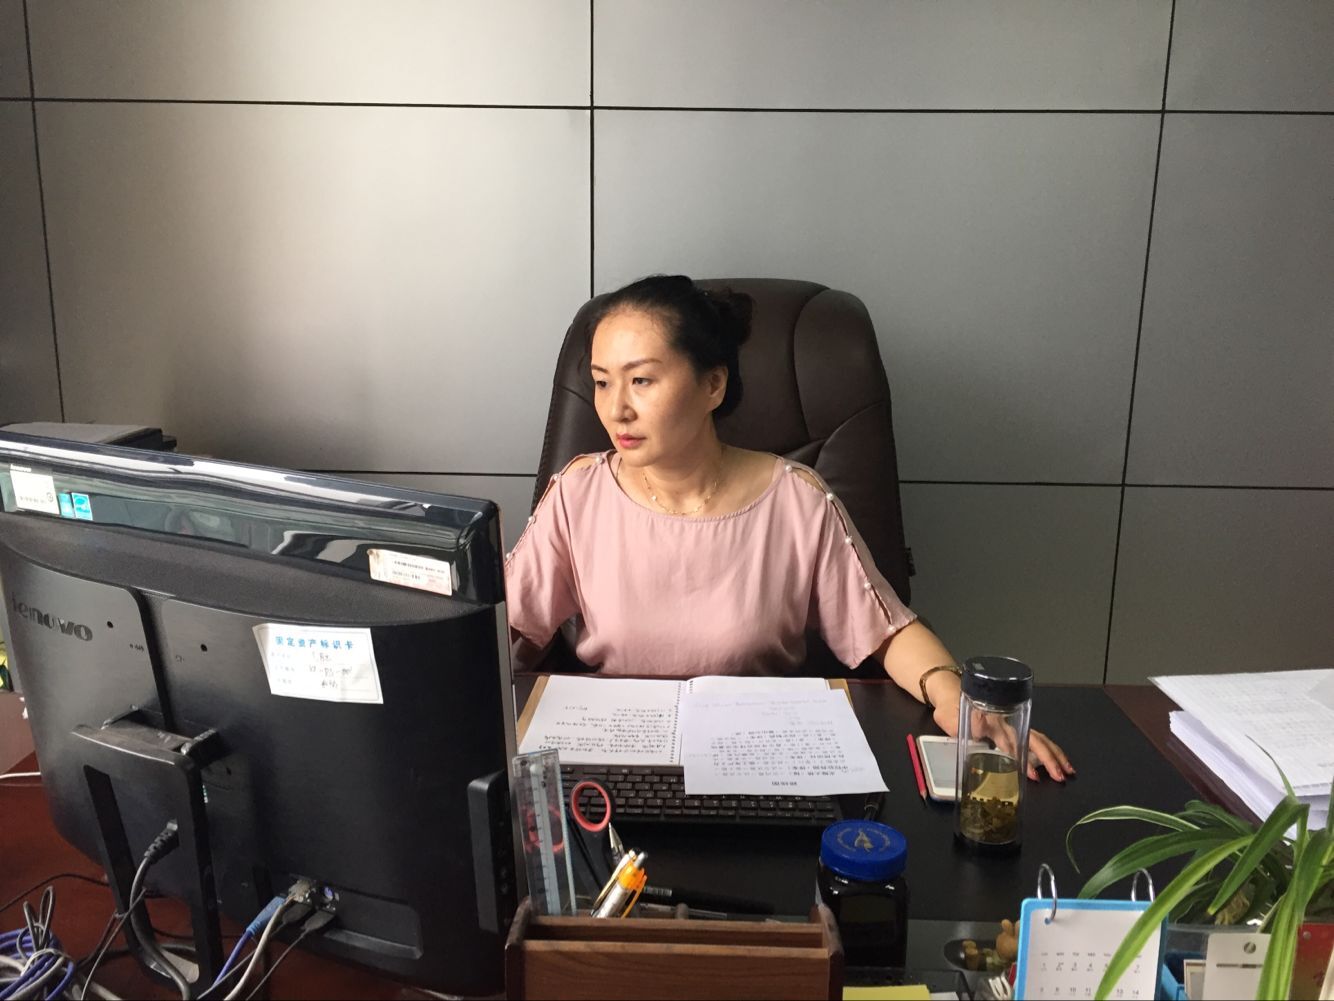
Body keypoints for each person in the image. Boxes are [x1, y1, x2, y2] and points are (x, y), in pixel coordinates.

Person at [506, 275, 1073, 781]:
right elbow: (506, 628)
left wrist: (958, 700)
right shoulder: (578, 495)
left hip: (758, 761)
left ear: (713, 386)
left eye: (642, 381)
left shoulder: (795, 499)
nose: (616, 410)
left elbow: (885, 630)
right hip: (610, 768)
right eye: (602, 382)